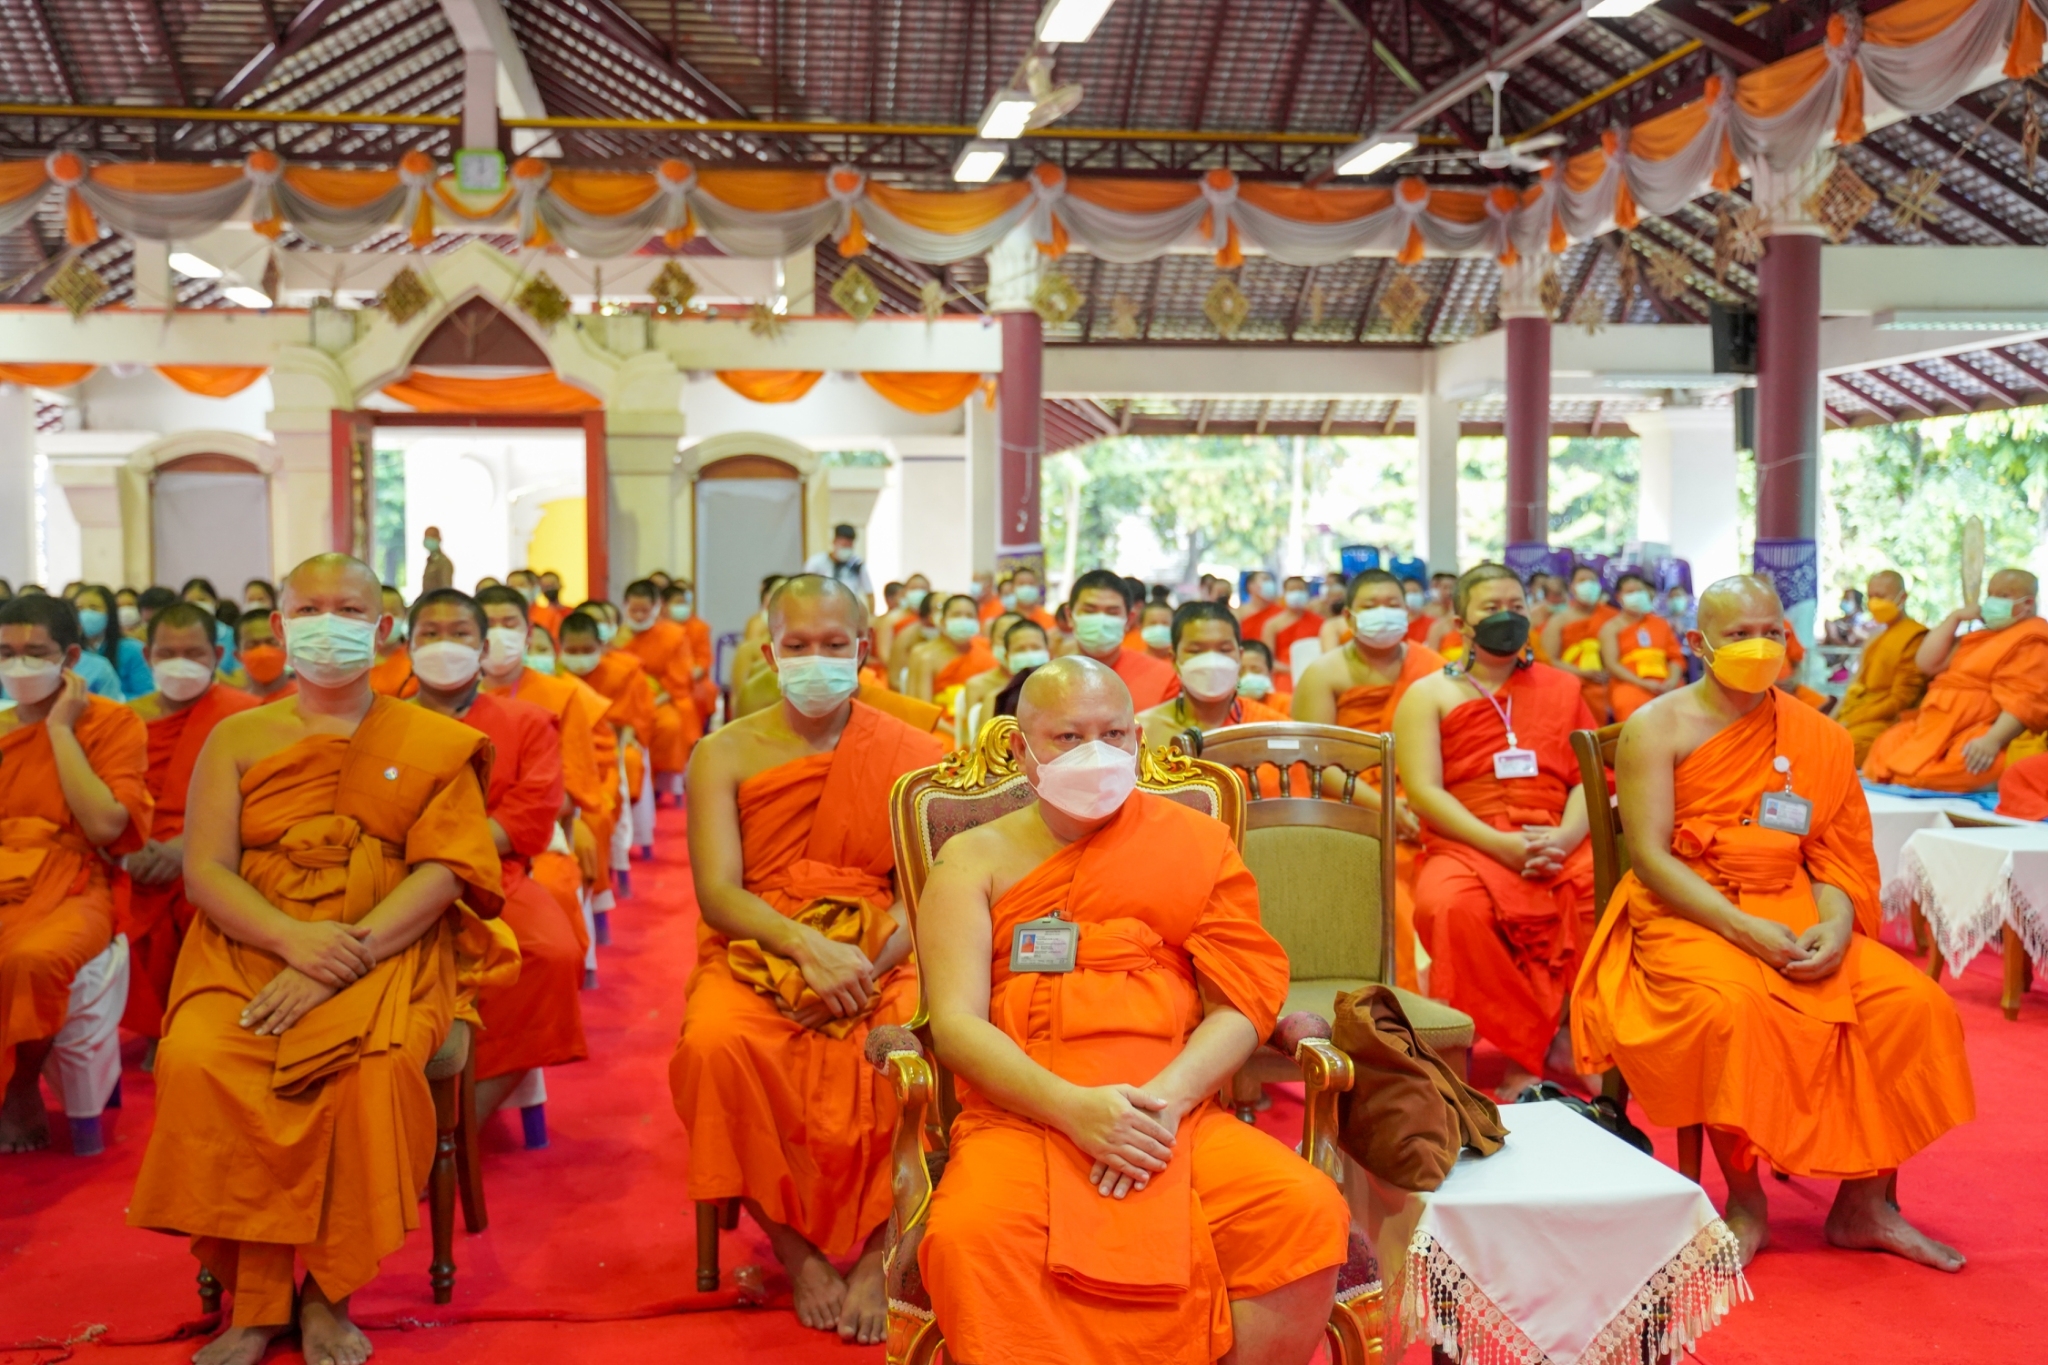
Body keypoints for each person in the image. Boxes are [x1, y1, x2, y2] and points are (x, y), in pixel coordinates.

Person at [914, 657, 1349, 1365]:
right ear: (1022, 750)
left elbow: (1241, 997)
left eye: (1114, 732)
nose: (1095, 753)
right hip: (1026, 1112)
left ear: (1139, 744)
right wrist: (1074, 1109)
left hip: (1171, 1111)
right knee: (974, 1234)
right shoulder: (973, 859)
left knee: (1302, 1210)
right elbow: (956, 1024)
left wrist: (1165, 1103)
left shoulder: (1194, 843)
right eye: (1066, 736)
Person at [128, 554, 504, 1365]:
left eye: (348, 609)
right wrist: (291, 941)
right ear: (279, 626)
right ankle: (256, 1301)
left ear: (381, 628)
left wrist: (342, 954)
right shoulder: (237, 735)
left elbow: (446, 870)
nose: (326, 623)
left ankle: (327, 1293)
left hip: (386, 950)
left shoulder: (433, 741)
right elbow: (206, 870)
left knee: (372, 1069)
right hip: (250, 945)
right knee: (200, 1057)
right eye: (309, 608)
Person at [1573, 575, 1975, 1270]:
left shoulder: (1818, 733)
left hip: (1797, 907)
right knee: (1733, 1010)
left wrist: (1838, 925)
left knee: (1914, 1004)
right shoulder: (1657, 725)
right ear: (1698, 644)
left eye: (1770, 630)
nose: (1760, 645)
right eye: (1738, 634)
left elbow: (1838, 857)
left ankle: (1864, 1204)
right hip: (1690, 910)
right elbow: (1652, 858)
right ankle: (1745, 1199)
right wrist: (1741, 928)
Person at [670, 575, 948, 1345]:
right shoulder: (721, 753)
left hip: (883, 951)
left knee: (921, 1040)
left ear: (863, 651)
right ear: (769, 652)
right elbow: (720, 893)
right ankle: (795, 1253)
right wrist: (807, 949)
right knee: (714, 1046)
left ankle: (874, 1248)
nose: (816, 660)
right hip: (762, 948)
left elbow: (924, 892)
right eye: (799, 646)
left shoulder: (915, 753)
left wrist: (859, 963)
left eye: (834, 646)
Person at [1395, 564, 1596, 1095]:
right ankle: (1525, 1042)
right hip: (1467, 840)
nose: (1506, 616)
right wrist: (1501, 846)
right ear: (1462, 622)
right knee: (1449, 908)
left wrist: (1567, 838)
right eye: (1490, 608)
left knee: (1596, 891)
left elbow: (1589, 778)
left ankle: (1565, 1034)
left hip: (1557, 837)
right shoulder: (1429, 694)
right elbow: (1424, 793)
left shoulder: (1562, 687)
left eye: (1516, 606)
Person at [407, 589, 586, 1118]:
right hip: (393, 876)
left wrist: (441, 850)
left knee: (554, 955)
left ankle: (462, 1124)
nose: (444, 646)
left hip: (492, 878)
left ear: (484, 648)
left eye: (459, 635)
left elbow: (531, 817)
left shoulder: (527, 722)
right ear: (405, 645)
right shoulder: (378, 719)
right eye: (430, 635)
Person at [0, 595, 152, 1152]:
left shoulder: (114, 724)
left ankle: (19, 1087)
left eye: (34, 652)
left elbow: (107, 826)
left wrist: (62, 731)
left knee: (31, 959)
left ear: (67, 657)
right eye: (6, 652)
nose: (18, 664)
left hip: (77, 881)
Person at [1293, 569, 1446, 991]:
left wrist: (1422, 801)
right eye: (1371, 606)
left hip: (1422, 804)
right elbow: (1315, 762)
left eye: (1393, 605)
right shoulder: (1324, 674)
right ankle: (1400, 998)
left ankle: (1448, 1001)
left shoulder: (1433, 668)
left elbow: (1450, 751)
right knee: (1392, 890)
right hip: (1350, 810)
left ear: (1408, 611)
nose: (1383, 614)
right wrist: (1385, 808)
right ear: (1349, 617)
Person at [121, 603, 261, 1057]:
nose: (180, 662)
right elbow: (110, 796)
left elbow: (261, 804)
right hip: (136, 856)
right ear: (147, 656)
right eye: (168, 652)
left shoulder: (247, 716)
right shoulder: (124, 721)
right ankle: (154, 1029)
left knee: (205, 895)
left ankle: (200, 1024)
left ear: (218, 654)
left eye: (194, 652)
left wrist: (188, 849)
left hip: (216, 854)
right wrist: (132, 850)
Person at [1864, 569, 2048, 792]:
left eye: (2003, 595)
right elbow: (1927, 663)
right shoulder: (1980, 638)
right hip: (1932, 727)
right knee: (1887, 743)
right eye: (1990, 594)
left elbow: (2025, 701)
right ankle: (1911, 775)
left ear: (2028, 604)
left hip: (1981, 731)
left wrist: (1993, 740)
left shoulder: (2033, 639)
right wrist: (1956, 617)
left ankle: (1921, 777)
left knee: (1970, 760)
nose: (1991, 601)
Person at [1136, 601, 1290, 749]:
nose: (1212, 661)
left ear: (1239, 656)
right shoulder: (1143, 733)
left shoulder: (1274, 729)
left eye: (1224, 650)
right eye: (1196, 651)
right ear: (1175, 660)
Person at [1832, 571, 1929, 765]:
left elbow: (1900, 700)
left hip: (1885, 720)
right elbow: (1855, 685)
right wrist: (1833, 719)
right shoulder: (1875, 637)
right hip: (1856, 712)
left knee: (1841, 750)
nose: (1874, 602)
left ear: (1902, 598)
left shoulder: (1915, 637)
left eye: (1881, 596)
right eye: (1871, 596)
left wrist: (1853, 721)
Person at [619, 578, 704, 794]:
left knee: (670, 725)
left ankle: (659, 785)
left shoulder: (673, 636)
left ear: (657, 608)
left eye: (645, 610)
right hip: (622, 700)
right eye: (634, 610)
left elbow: (678, 680)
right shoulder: (617, 637)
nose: (638, 616)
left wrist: (651, 702)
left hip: (660, 698)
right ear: (625, 606)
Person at [1067, 569, 1176, 710]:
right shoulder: (1046, 678)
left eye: (1112, 612)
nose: (1101, 621)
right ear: (1069, 616)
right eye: (1090, 611)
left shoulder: (1164, 678)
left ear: (1129, 619)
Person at [1599, 570, 1687, 722]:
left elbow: (1676, 658)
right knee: (1628, 705)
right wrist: (1643, 683)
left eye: (1640, 590)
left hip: (1666, 682)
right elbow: (1611, 664)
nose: (1637, 595)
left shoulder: (1661, 623)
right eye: (1631, 591)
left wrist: (1672, 681)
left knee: (1686, 703)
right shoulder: (1610, 628)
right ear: (1619, 597)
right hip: (1630, 683)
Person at [1541, 563, 1616, 723]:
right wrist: (1582, 673)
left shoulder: (1613, 617)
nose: (1588, 585)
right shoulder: (1558, 620)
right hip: (1573, 679)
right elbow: (1549, 660)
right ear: (1572, 587)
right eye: (1582, 580)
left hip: (1610, 679)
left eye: (1592, 580)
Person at [957, 619, 1049, 745]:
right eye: (1020, 650)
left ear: (1048, 652)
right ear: (1007, 657)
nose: (1029, 654)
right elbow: (982, 752)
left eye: (1035, 647)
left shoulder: (1065, 695)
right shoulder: (996, 699)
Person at [910, 593, 998, 715]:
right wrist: (958, 734)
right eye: (956, 615)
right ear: (942, 621)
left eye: (969, 616)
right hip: (943, 726)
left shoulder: (987, 649)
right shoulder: (928, 658)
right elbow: (924, 711)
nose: (963, 620)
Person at [74, 583, 153, 698]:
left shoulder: (133, 650)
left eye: (94, 608)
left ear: (110, 613)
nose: (86, 614)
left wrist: (115, 698)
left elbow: (146, 695)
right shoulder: (71, 651)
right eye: (79, 609)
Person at [802, 523, 875, 607]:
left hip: (849, 611)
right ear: (834, 542)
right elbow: (806, 590)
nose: (846, 549)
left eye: (849, 546)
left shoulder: (857, 564)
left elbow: (869, 593)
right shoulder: (816, 563)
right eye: (844, 545)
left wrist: (871, 617)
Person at [231, 611, 298, 702]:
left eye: (271, 642)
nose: (264, 651)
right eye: (252, 645)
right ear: (237, 656)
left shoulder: (307, 700)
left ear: (286, 647)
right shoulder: (232, 707)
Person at [366, 585, 416, 697]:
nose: (388, 618)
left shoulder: (415, 659)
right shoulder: (353, 657)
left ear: (405, 614)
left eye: (394, 612)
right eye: (380, 612)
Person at [1236, 570, 1283, 644]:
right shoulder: (1238, 613)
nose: (1269, 584)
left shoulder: (1281, 611)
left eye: (1271, 581)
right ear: (1251, 585)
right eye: (1265, 580)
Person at [1237, 640, 1278, 704]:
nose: (1248, 677)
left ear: (1270, 673)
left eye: (1256, 671)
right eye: (1241, 672)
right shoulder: (1226, 710)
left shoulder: (1287, 705)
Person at [420, 525, 454, 593]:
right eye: (426, 537)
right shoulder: (430, 561)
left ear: (439, 539)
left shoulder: (444, 563)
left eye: (432, 537)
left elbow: (445, 589)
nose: (428, 540)